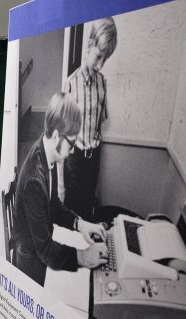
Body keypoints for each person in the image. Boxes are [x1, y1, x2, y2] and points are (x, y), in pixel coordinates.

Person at [10, 92, 107, 286]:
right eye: (71, 143)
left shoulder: (47, 153)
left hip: (42, 245)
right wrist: (83, 257)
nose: (73, 150)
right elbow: (45, 251)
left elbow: (53, 206)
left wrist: (81, 225)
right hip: (31, 263)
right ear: (56, 136)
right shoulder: (34, 180)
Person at [62, 17, 118, 219]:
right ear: (89, 45)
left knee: (87, 210)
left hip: (93, 159)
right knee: (71, 210)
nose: (100, 65)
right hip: (74, 158)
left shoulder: (103, 83)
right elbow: (63, 133)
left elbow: (99, 124)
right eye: (98, 56)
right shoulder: (70, 84)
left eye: (106, 59)